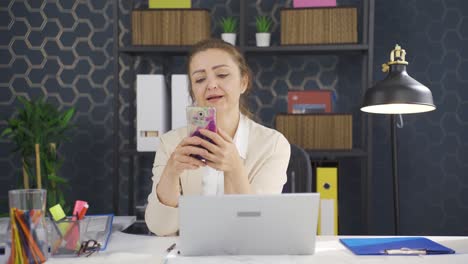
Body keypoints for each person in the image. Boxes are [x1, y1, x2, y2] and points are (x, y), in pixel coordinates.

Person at [145, 38, 291, 236]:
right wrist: (171, 171)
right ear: (193, 91)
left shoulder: (273, 145)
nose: (211, 84)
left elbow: (256, 229)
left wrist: (234, 168)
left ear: (243, 82)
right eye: (199, 79)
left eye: (222, 74)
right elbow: (160, 228)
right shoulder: (171, 143)